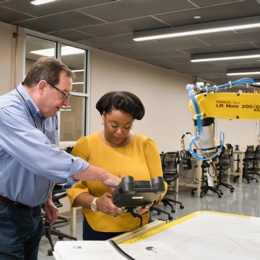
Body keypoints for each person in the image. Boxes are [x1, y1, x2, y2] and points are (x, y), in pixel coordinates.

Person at [0, 57, 120, 259]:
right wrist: (103, 175)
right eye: (64, 95)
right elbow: (45, 159)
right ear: (42, 86)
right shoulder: (6, 111)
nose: (66, 103)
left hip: (33, 212)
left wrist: (45, 197)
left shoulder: (49, 113)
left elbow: (47, 156)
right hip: (5, 214)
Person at [66, 91, 166, 240]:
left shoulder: (146, 145)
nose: (120, 132)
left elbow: (160, 184)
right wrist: (96, 202)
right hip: (98, 230)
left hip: (138, 227)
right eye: (114, 125)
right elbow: (74, 189)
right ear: (103, 116)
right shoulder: (86, 145)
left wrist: (151, 201)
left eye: (127, 126)